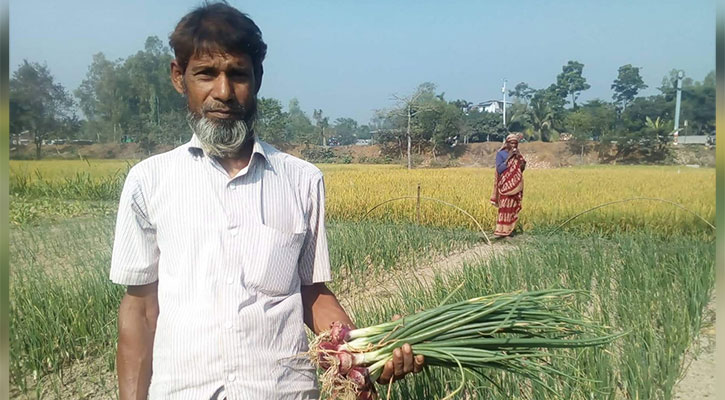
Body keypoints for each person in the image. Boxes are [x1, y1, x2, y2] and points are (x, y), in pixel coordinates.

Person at [109, 3, 423, 399]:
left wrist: (367, 356)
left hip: (282, 391)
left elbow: (312, 292)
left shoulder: (301, 179)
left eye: (238, 74)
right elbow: (140, 309)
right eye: (206, 74)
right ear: (179, 77)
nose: (223, 92)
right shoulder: (149, 181)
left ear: (258, 78)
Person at [489, 133, 526, 238]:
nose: (514, 145)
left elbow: (521, 169)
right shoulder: (501, 154)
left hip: (516, 185)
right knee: (504, 206)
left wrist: (519, 158)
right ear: (507, 143)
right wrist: (509, 157)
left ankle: (510, 230)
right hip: (505, 185)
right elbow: (499, 169)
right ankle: (501, 230)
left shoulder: (518, 155)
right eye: (511, 143)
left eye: (515, 143)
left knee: (513, 207)